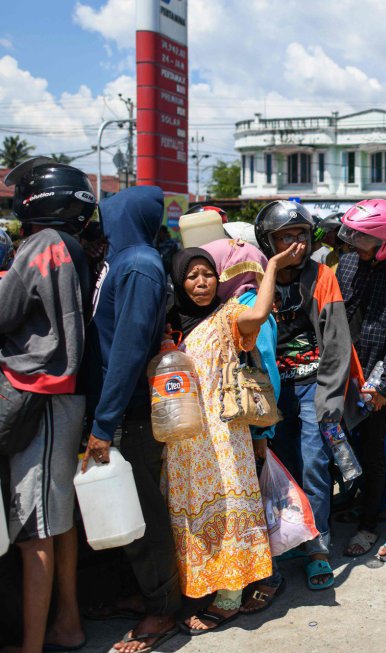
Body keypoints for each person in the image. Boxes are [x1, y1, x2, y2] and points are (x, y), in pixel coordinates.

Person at [164, 243, 302, 635]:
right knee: (192, 515)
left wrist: (271, 265)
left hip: (224, 437)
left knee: (229, 511)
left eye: (208, 274)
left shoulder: (228, 317)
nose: (201, 283)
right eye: (191, 276)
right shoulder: (170, 322)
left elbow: (259, 313)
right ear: (179, 281)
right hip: (183, 442)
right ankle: (203, 586)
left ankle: (231, 594)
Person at [82, 186, 183, 653]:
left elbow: (126, 349)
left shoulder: (139, 264)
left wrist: (104, 423)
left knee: (143, 511)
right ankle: (142, 593)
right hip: (115, 408)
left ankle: (163, 608)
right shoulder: (122, 259)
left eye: (110, 211)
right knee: (123, 506)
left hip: (131, 413)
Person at [1, 158, 94, 653]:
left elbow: (3, 310)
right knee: (57, 519)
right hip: (64, 395)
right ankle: (68, 622)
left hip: (39, 393)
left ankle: (32, 646)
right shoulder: (73, 245)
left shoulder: (41, 245)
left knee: (33, 527)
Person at [255, 200, 355, 589]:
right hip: (273, 391)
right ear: (269, 241)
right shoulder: (257, 277)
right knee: (283, 467)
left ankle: (318, 546)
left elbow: (336, 340)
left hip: (315, 384)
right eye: (285, 237)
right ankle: (293, 535)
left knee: (315, 463)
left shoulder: (322, 276)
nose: (295, 244)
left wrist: (330, 399)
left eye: (300, 236)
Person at [334, 199, 386, 559]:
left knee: (374, 451)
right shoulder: (347, 263)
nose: (354, 243)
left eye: (363, 238)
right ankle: (358, 502)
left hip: (375, 378)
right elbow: (335, 314)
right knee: (342, 447)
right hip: (340, 372)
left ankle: (369, 526)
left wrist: (383, 386)